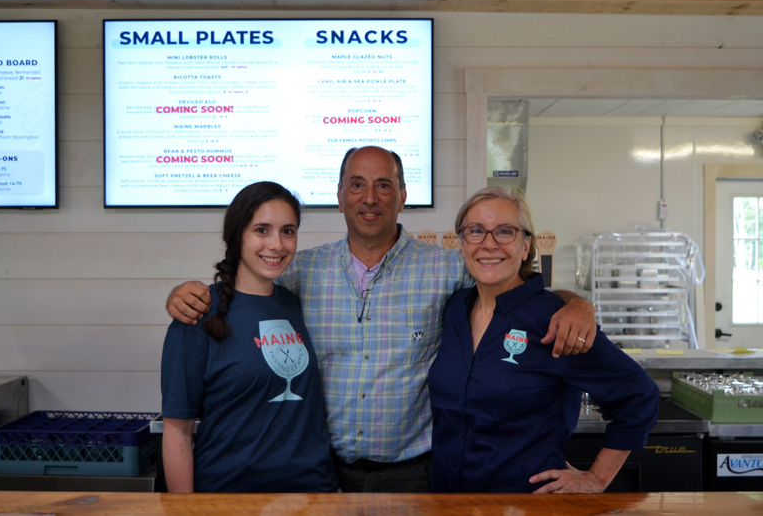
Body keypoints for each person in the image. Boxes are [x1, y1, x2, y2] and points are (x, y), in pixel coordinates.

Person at [165, 146, 598, 492]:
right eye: (356, 184)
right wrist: (188, 294)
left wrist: (574, 302)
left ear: (403, 197)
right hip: (326, 473)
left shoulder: (446, 269)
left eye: (383, 185)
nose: (369, 197)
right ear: (339, 197)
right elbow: (244, 287)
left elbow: (511, 281)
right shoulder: (298, 273)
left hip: (416, 475)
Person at [428, 187, 659, 494]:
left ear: (526, 246)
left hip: (525, 505)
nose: (489, 243)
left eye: (505, 232)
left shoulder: (554, 319)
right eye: (476, 231)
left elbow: (639, 395)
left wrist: (595, 479)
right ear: (462, 243)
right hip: (448, 503)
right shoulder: (455, 309)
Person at [161, 181, 338, 493]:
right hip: (231, 496)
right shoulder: (197, 313)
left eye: (288, 231)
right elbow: (178, 431)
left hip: (310, 494)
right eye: (262, 230)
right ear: (237, 235)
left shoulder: (294, 302)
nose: (277, 244)